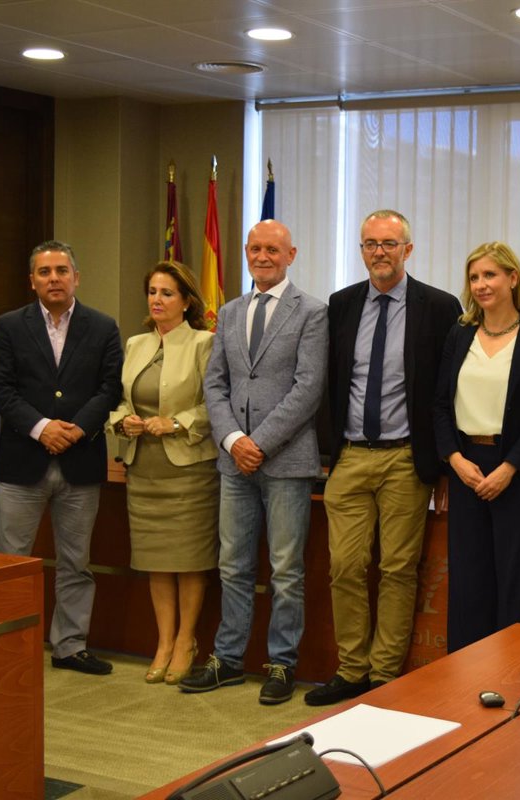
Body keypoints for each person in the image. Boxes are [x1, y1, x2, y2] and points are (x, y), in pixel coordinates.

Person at [307, 209, 461, 705]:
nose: (379, 252)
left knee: (398, 569)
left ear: (407, 250)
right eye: (370, 244)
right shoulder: (341, 304)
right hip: (351, 455)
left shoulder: (439, 307)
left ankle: (383, 677)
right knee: (345, 566)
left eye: (389, 244)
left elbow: (448, 390)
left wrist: (443, 464)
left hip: (405, 459)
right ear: (361, 250)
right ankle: (351, 670)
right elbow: (330, 381)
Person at [180, 220, 327, 706]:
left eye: (272, 250)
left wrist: (257, 443)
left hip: (286, 461)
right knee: (233, 566)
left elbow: (308, 388)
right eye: (255, 248)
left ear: (291, 254)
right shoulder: (229, 311)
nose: (262, 257)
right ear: (246, 252)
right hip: (234, 465)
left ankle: (282, 664)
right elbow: (214, 383)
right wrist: (232, 440)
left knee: (285, 570)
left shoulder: (312, 312)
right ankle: (227, 659)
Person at [0, 240, 124, 676]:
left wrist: (78, 428)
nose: (54, 279)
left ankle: (70, 646)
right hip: (21, 463)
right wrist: (42, 427)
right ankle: (7, 646)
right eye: (44, 272)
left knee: (76, 563)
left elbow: (110, 388)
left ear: (76, 278)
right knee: (10, 561)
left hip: (80, 462)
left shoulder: (103, 327)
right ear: (32, 281)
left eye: (62, 271)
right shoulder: (10, 326)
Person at [433, 242, 520, 652]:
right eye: (474, 277)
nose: (481, 285)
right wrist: (454, 459)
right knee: (468, 581)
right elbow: (440, 404)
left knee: (515, 580)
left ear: (513, 278)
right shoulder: (459, 334)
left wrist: (509, 468)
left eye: (490, 275)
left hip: (516, 472)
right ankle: (465, 675)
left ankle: (513, 673)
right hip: (466, 468)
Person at [108, 261, 219, 685]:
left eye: (167, 293)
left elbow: (215, 404)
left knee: (188, 561)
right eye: (152, 292)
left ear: (186, 301)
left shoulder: (204, 343)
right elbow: (120, 399)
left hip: (188, 470)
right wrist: (124, 421)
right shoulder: (135, 343)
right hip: (144, 468)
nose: (157, 299)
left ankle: (186, 641)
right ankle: (164, 641)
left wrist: (175, 422)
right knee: (156, 561)